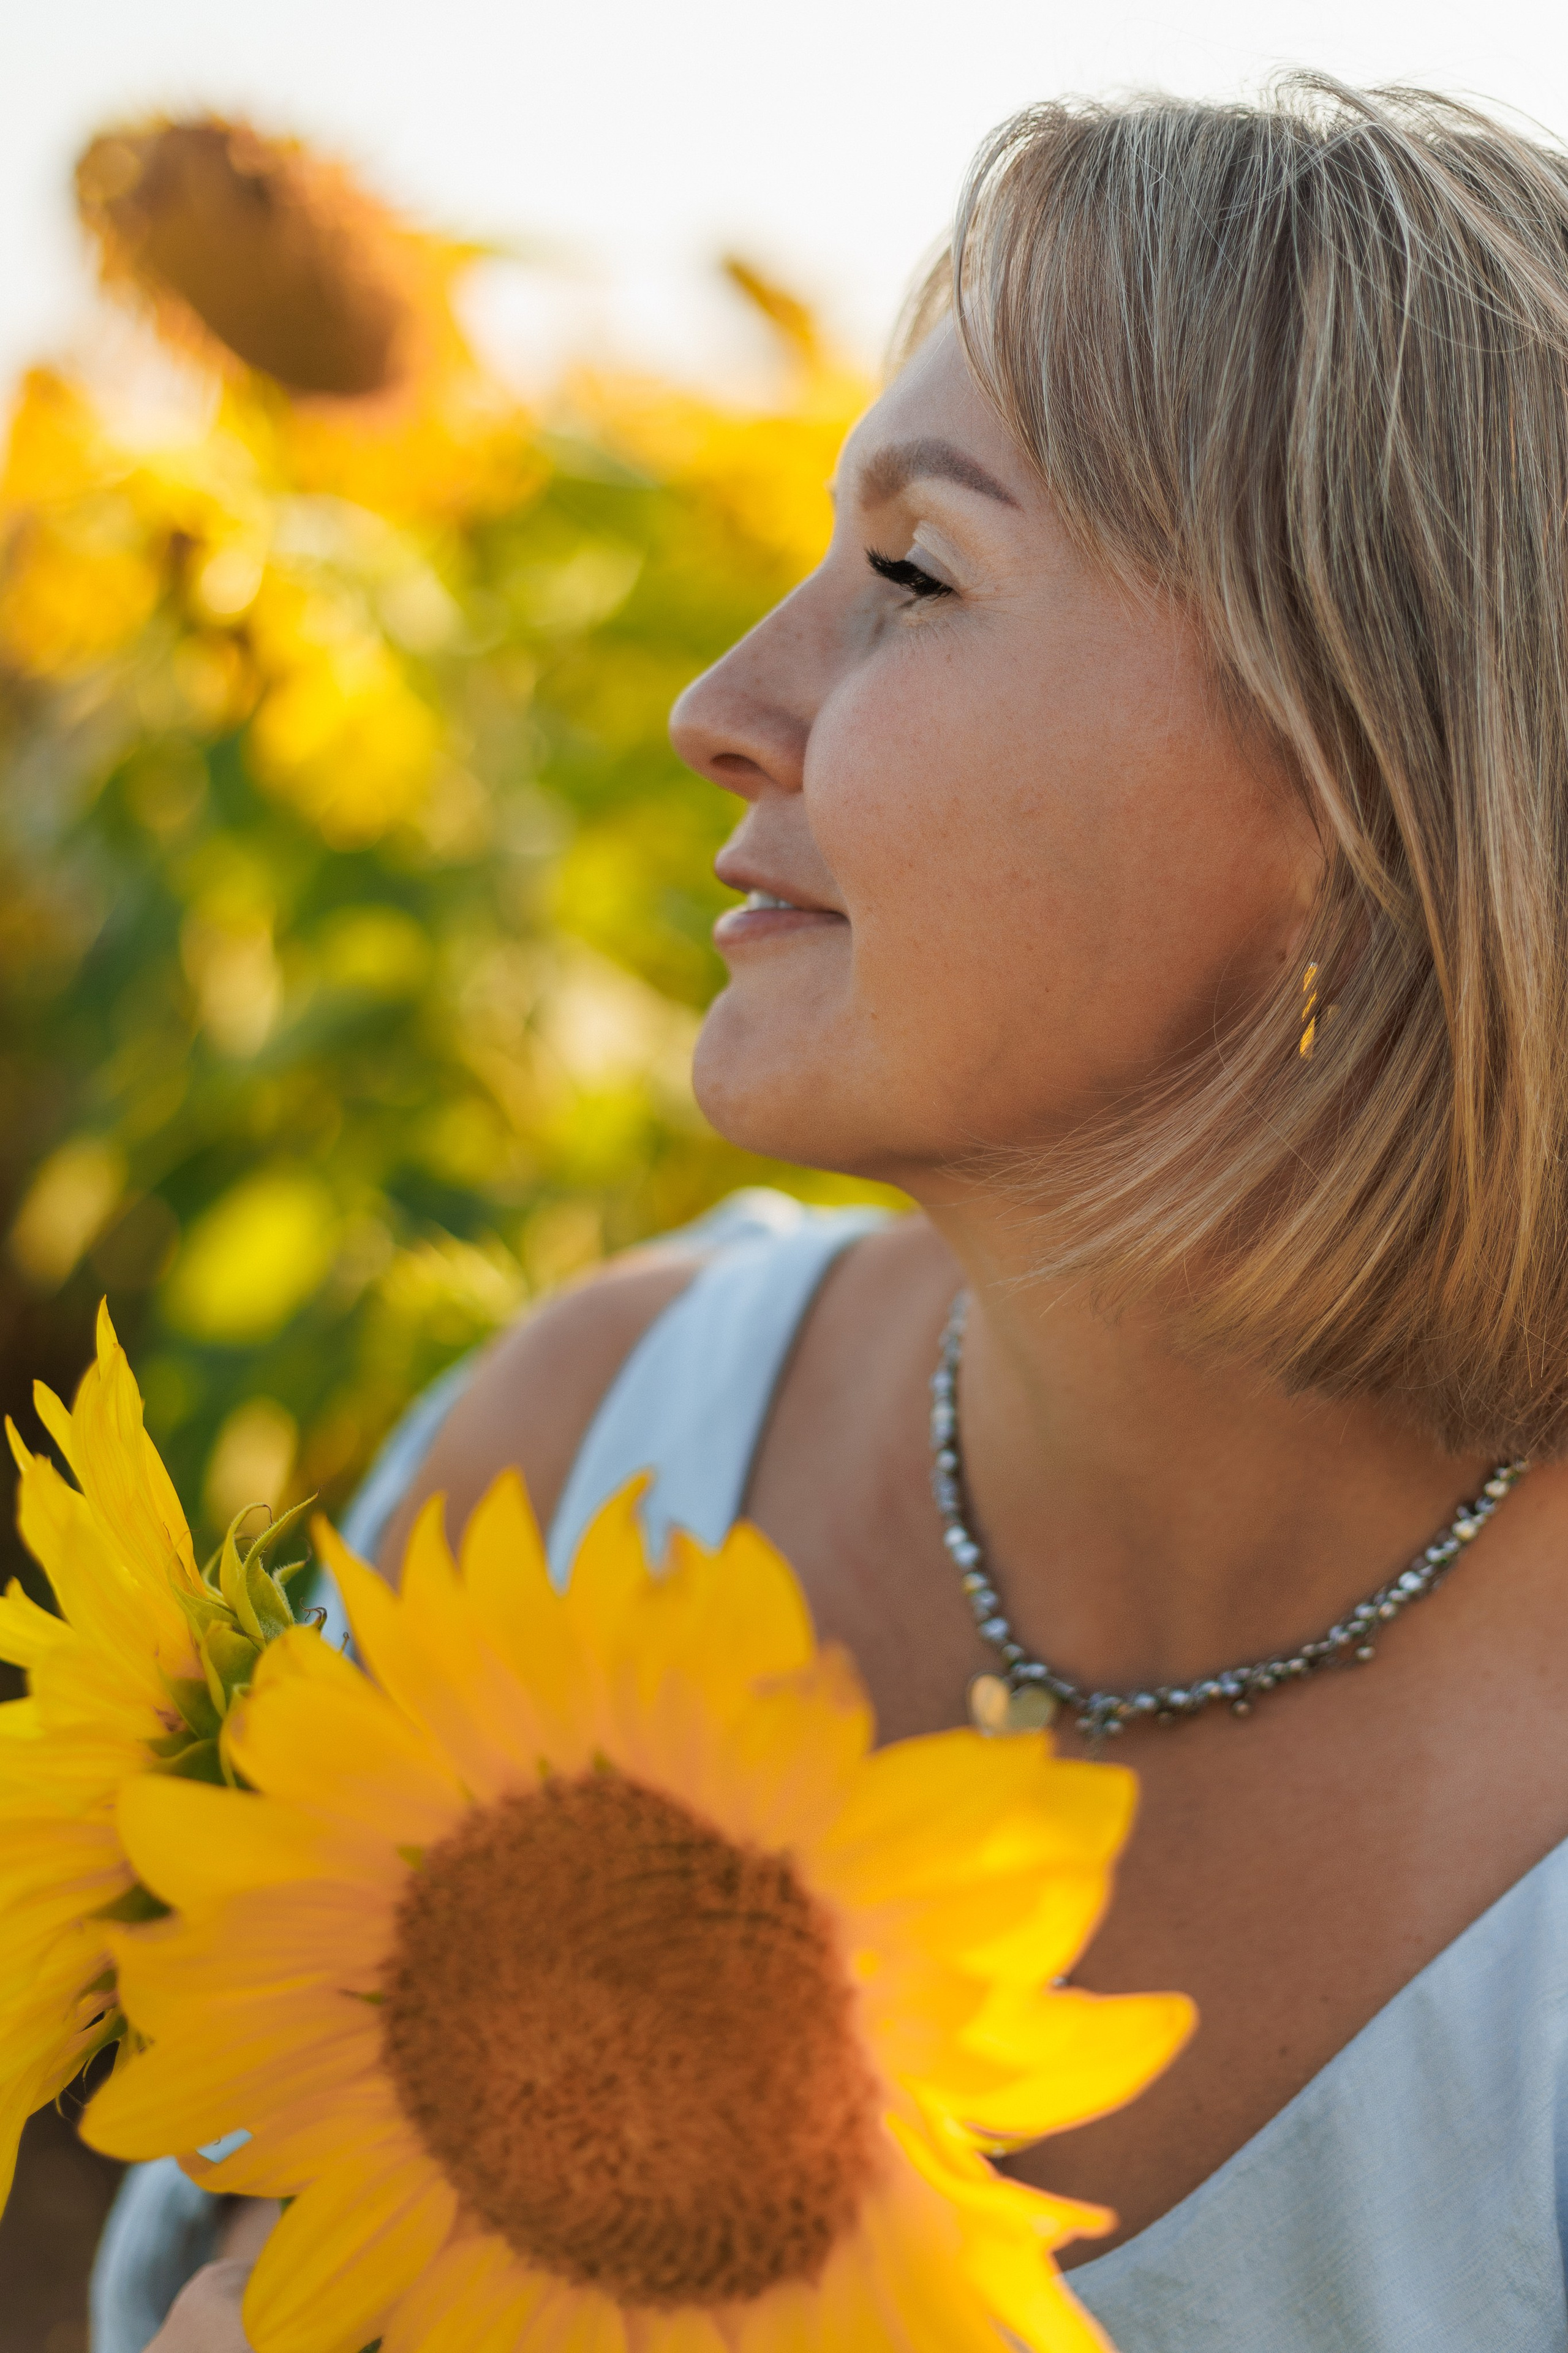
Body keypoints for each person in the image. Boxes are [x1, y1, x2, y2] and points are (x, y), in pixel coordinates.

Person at [107, 74, 1568, 2353]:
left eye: (911, 575)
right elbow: (233, 2213)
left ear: (1369, 810)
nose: (721, 704)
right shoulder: (585, 1436)